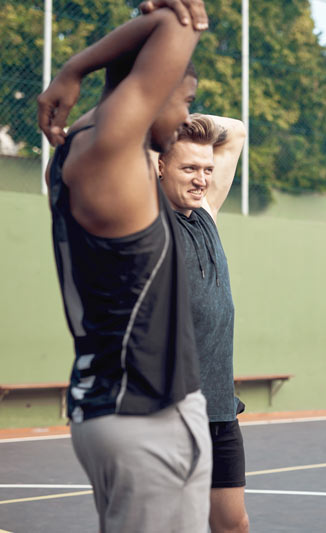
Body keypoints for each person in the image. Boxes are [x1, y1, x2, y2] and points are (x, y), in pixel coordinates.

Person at [37, 4, 212, 532]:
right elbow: (184, 21)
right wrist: (73, 69)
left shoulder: (79, 153)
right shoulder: (109, 152)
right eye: (183, 100)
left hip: (119, 410)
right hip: (144, 418)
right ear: (149, 90)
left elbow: (157, 39)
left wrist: (88, 65)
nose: (185, 118)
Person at [157, 114, 249, 533]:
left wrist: (187, 122)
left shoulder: (207, 214)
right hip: (168, 412)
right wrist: (164, 122)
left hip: (219, 409)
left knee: (233, 525)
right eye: (189, 168)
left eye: (207, 170)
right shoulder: (147, 220)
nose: (201, 179)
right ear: (159, 166)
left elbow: (238, 130)